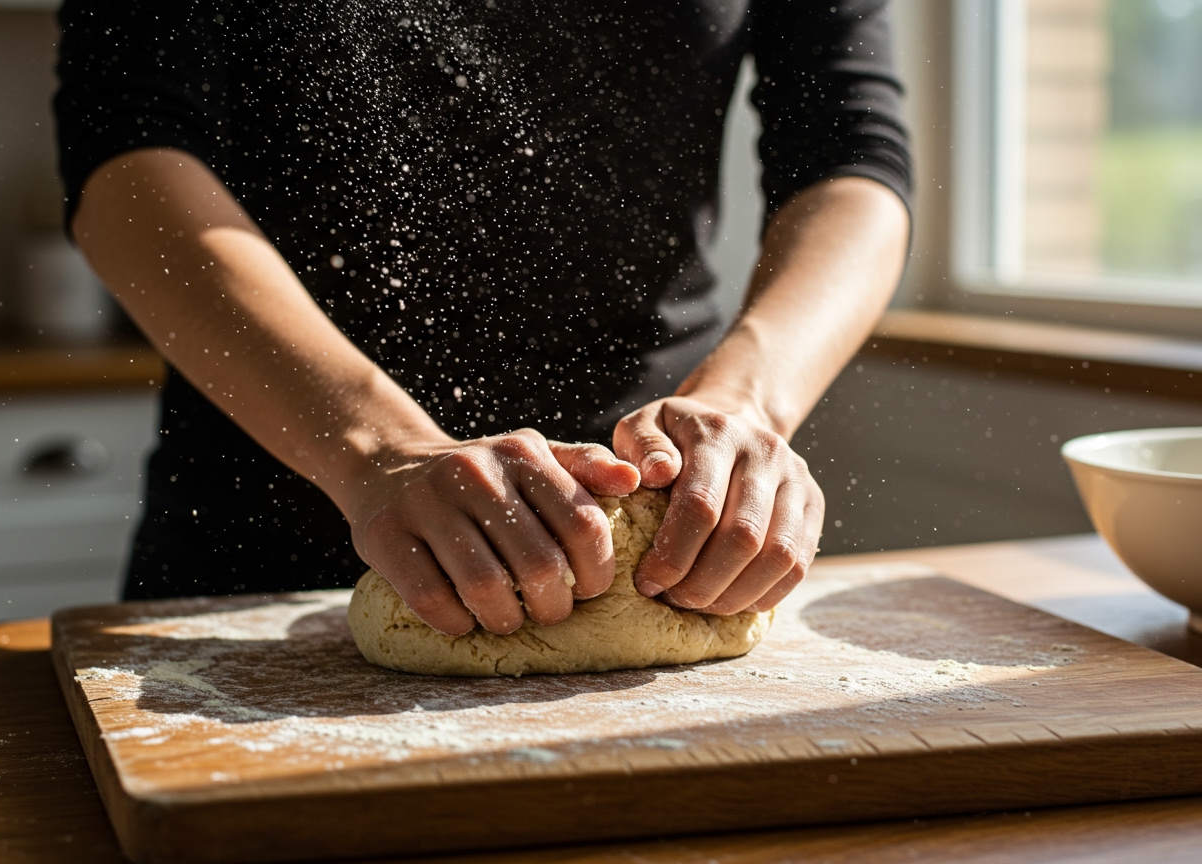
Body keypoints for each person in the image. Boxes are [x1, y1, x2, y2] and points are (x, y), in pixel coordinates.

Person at [55, 0, 911, 635]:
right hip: (269, 520)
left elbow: (853, 156)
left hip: (652, 533)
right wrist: (377, 449)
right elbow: (125, 159)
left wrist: (746, 407)